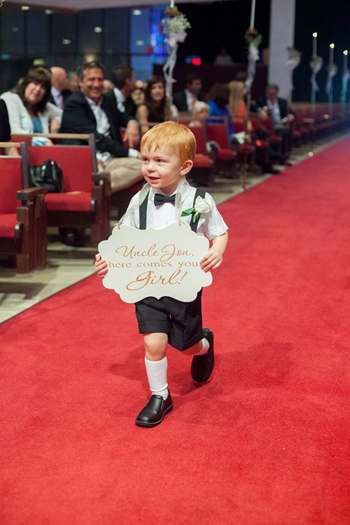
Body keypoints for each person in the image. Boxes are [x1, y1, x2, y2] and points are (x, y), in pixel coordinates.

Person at [95, 121, 229, 427]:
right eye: (145, 160)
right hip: (145, 284)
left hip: (183, 286)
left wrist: (217, 250)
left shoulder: (199, 201)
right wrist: (107, 258)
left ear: (184, 167)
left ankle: (203, 344)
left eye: (159, 161)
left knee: (185, 344)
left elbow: (220, 232)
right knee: (154, 342)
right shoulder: (139, 200)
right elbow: (122, 237)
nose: (150, 168)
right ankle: (160, 395)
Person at [60, 60, 142, 194]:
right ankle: (97, 185)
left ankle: (98, 186)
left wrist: (132, 123)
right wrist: (131, 152)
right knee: (98, 172)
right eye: (91, 80)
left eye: (100, 79)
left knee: (144, 167)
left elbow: (124, 117)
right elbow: (97, 139)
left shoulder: (107, 100)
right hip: (88, 160)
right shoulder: (74, 104)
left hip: (110, 159)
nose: (97, 84)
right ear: (80, 82)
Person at [1, 67, 62, 141]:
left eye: (43, 87)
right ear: (26, 83)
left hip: (43, 151)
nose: (38, 89)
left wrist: (57, 120)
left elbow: (63, 114)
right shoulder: (10, 98)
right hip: (19, 150)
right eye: (35, 83)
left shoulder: (44, 106)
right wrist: (43, 141)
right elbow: (15, 132)